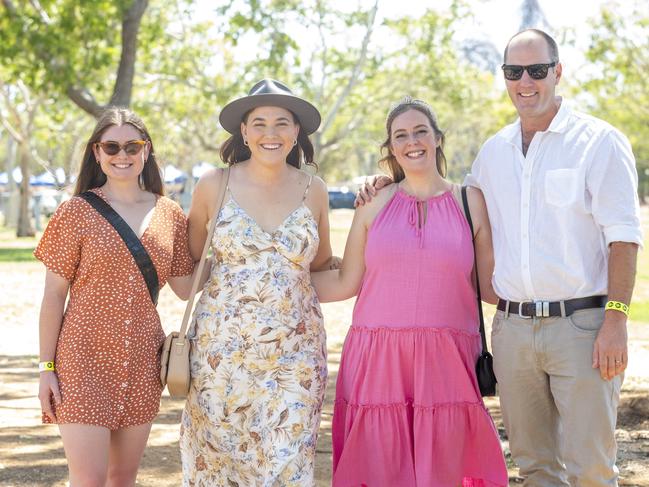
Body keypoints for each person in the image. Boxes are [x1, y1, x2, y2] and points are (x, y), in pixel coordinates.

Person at [465, 29, 642, 486]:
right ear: (504, 78)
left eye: (537, 70)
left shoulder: (598, 142)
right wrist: (386, 182)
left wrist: (616, 321)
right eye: (514, 72)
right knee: (535, 467)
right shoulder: (492, 152)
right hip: (513, 332)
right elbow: (450, 201)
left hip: (582, 330)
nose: (526, 81)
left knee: (592, 468)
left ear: (558, 72)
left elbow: (623, 238)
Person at [311, 97, 508, 487]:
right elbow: (347, 281)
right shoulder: (373, 203)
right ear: (391, 148)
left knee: (445, 469)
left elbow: (491, 288)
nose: (412, 141)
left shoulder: (471, 202)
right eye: (400, 135)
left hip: (447, 360)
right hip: (378, 360)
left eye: (421, 131)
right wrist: (268, 278)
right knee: (382, 468)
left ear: (438, 139)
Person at [35, 107, 203, 486]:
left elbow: (183, 285)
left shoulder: (170, 213)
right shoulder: (75, 212)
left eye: (132, 145)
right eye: (111, 146)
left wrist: (231, 252)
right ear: (97, 153)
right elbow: (52, 297)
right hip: (82, 360)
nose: (122, 155)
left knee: (123, 477)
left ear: (147, 151)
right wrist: (46, 369)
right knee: (89, 479)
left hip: (143, 357)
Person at [180, 79, 334, 486]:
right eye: (259, 123)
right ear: (244, 132)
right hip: (220, 355)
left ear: (296, 131)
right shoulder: (215, 183)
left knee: (286, 464)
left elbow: (318, 266)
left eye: (282, 123)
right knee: (220, 467)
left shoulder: (313, 189)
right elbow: (191, 260)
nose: (271, 133)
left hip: (295, 355)